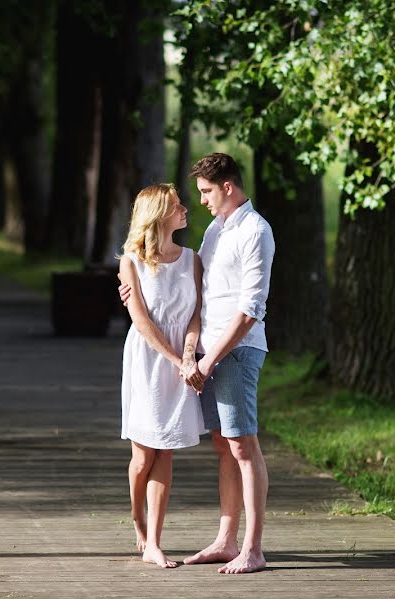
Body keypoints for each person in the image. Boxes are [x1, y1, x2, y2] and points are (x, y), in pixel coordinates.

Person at [119, 153, 275, 574]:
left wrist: (204, 360)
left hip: (235, 352)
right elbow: (197, 296)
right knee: (224, 445)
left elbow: (250, 310)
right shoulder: (214, 231)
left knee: (243, 444)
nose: (200, 200)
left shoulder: (255, 231)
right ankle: (226, 540)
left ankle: (253, 549)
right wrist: (193, 355)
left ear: (227, 186)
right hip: (204, 355)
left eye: (206, 191)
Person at [119, 183, 206, 569]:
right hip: (148, 357)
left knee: (166, 446)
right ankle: (137, 516)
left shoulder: (193, 259)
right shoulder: (132, 261)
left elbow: (195, 316)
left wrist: (189, 357)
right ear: (157, 215)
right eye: (176, 206)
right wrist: (175, 360)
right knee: (143, 454)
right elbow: (140, 320)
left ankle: (154, 541)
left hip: (179, 361)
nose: (185, 209)